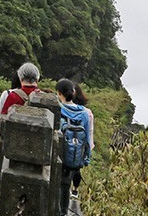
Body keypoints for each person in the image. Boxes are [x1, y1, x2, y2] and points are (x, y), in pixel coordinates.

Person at [56, 78, 93, 215]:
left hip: (58, 153)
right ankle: (64, 212)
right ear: (73, 92)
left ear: (59, 93)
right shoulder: (84, 113)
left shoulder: (58, 108)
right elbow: (87, 138)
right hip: (74, 156)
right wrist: (86, 158)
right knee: (66, 185)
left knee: (55, 184)